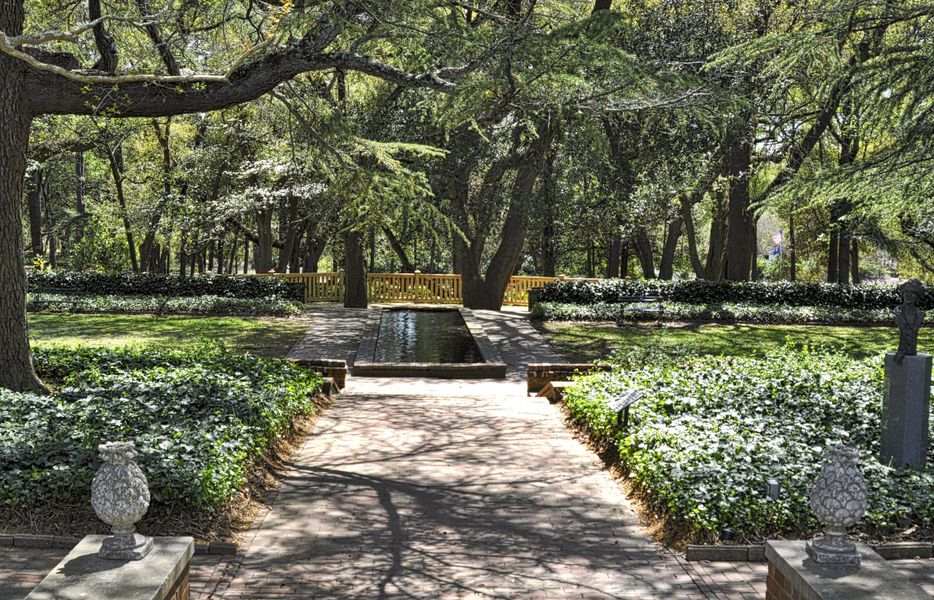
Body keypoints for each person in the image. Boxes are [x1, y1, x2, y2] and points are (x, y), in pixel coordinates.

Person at [894, 278, 926, 365]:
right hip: (903, 349)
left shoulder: (920, 314)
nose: (909, 295)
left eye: (913, 292)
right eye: (906, 291)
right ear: (903, 293)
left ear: (917, 295)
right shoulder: (897, 312)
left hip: (911, 350)